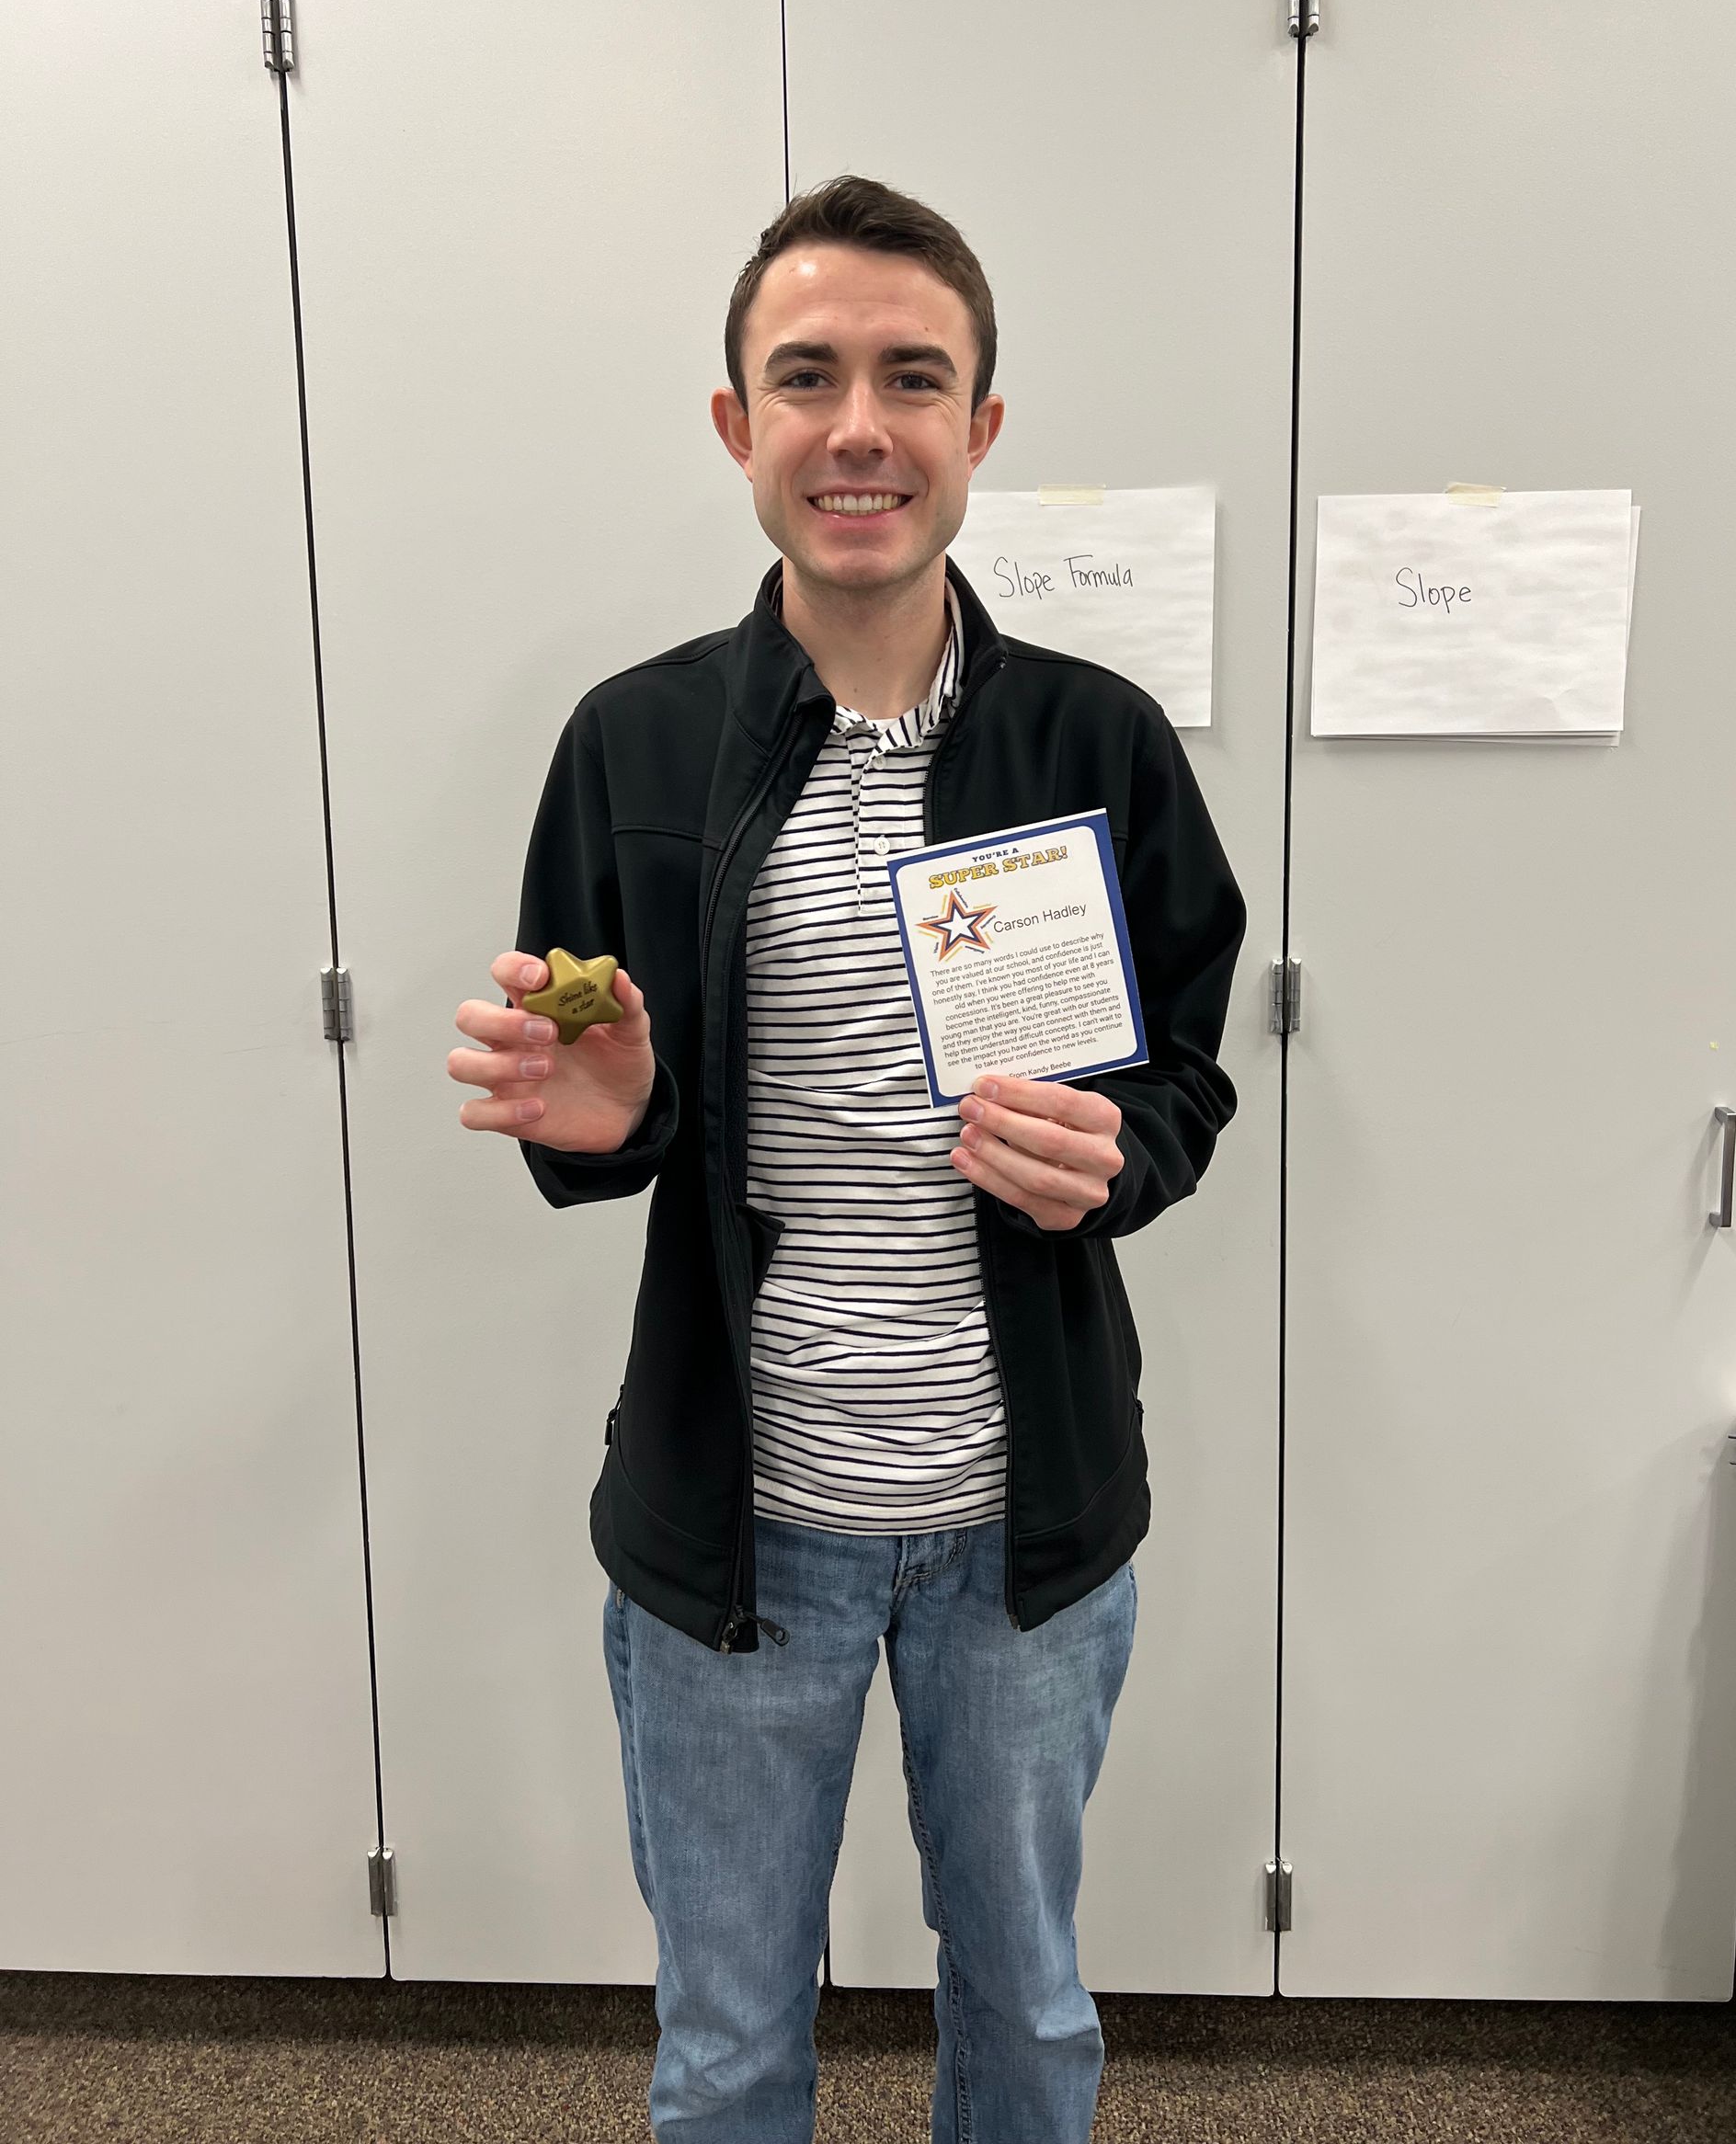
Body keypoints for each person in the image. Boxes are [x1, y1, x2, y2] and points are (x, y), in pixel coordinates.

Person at [448, 174, 1247, 2142]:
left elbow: (1188, 1076)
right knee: (725, 2050)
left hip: (1022, 1525)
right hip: (739, 1530)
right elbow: (599, 1115)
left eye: (916, 375)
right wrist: (610, 1114)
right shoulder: (636, 743)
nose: (858, 425)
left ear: (983, 428)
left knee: (1034, 2023)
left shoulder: (1095, 740)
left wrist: (1117, 1148)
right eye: (806, 376)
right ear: (738, 426)